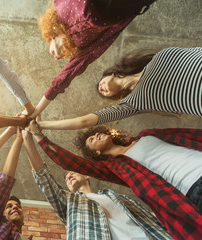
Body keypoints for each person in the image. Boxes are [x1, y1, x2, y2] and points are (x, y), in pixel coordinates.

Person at [26, 120, 202, 239]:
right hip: (192, 187)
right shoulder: (115, 168)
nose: (96, 136)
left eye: (96, 134)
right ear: (96, 153)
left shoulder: (145, 135)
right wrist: (39, 136)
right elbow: (69, 163)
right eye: (91, 139)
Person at [29, 0, 156, 118]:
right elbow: (61, 81)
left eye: (53, 53)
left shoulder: (61, 7)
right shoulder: (83, 48)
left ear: (50, 35)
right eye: (63, 55)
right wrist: (37, 111)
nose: (57, 57)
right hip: (121, 7)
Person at [36, 47, 202, 130]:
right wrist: (42, 125)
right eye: (102, 92)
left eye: (100, 83)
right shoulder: (131, 104)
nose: (101, 87)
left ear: (111, 73)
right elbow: (84, 121)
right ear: (115, 96)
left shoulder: (158, 57)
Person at [0, 127, 31, 240]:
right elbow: (3, 186)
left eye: (18, 206)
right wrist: (18, 138)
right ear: (1, 215)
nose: (15, 208)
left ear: (23, 221)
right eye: (9, 206)